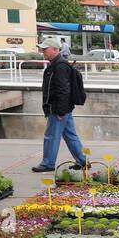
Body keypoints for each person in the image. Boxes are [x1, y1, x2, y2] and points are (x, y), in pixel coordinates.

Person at [32, 36, 85, 173]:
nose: (43, 52)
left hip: (58, 109)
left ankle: (48, 163)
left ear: (55, 49)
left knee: (51, 136)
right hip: (63, 108)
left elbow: (63, 90)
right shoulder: (59, 64)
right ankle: (82, 161)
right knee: (70, 135)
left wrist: (60, 111)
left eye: (45, 49)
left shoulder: (59, 66)